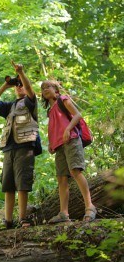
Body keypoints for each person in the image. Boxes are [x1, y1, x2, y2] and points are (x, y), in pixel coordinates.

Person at [0, 62, 39, 229]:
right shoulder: (9, 106)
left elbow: (30, 90)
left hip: (25, 147)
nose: (20, 88)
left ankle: (23, 218)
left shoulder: (30, 102)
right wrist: (6, 84)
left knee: (22, 184)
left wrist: (21, 73)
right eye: (17, 86)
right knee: (8, 185)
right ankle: (8, 221)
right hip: (9, 149)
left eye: (21, 85)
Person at [41, 80, 96, 223]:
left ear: (56, 90)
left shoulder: (62, 100)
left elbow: (77, 115)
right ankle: (63, 213)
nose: (45, 89)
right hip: (59, 146)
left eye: (48, 87)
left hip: (71, 140)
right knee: (61, 178)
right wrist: (51, 144)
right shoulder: (50, 110)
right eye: (42, 88)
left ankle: (90, 207)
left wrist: (68, 129)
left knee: (75, 171)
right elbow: (54, 128)